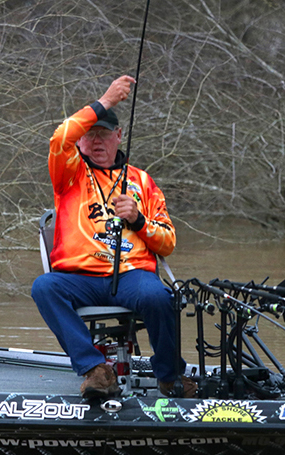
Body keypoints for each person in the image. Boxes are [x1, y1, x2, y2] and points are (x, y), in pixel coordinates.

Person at [31, 75, 196, 399]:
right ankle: (96, 371)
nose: (95, 141)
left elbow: (168, 242)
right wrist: (105, 102)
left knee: (158, 297)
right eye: (89, 135)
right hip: (80, 278)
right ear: (80, 141)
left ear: (118, 136)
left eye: (104, 134)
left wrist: (137, 220)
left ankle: (169, 375)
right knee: (44, 287)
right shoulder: (69, 172)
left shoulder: (143, 181)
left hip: (132, 276)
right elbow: (59, 137)